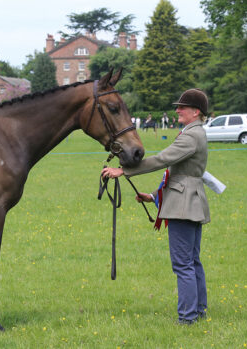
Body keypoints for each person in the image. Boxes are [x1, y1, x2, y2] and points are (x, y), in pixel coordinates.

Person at [101, 88, 210, 325]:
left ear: (195, 111)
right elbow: (180, 174)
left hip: (183, 205)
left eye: (182, 107)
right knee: (192, 261)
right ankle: (198, 311)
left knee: (183, 264)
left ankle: (188, 318)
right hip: (189, 201)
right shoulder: (195, 132)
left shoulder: (191, 136)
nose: (177, 110)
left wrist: (124, 170)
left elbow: (163, 159)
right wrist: (153, 196)